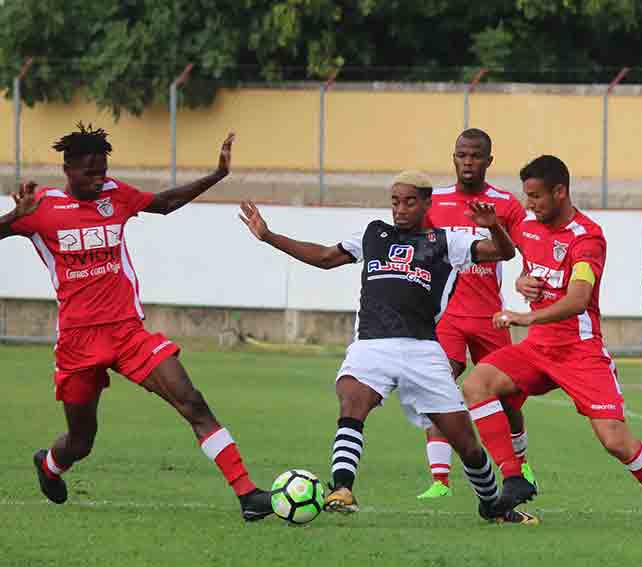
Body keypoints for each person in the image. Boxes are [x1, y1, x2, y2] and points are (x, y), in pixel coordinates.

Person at [0, 123, 273, 521]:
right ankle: (50, 465)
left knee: (192, 401)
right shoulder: (39, 208)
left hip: (128, 331)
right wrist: (12, 218)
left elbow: (163, 203)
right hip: (78, 341)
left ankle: (248, 494)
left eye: (103, 170)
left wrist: (216, 176)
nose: (99, 179)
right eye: (90, 172)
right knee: (81, 440)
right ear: (68, 169)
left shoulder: (115, 195)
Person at [238, 170, 537, 525]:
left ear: (428, 203)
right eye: (395, 201)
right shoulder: (372, 235)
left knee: (466, 444)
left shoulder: (447, 241)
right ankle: (342, 488)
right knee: (352, 399)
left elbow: (502, 253)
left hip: (422, 350)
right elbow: (322, 257)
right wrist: (268, 236)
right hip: (372, 345)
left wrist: (494, 226)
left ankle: (492, 505)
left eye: (410, 201)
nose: (400, 209)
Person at [463, 155, 642, 533]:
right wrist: (513, 264)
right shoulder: (530, 227)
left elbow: (577, 298)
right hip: (538, 349)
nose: (530, 204)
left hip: (580, 351)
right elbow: (521, 259)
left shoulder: (587, 237)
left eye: (536, 196)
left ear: (560, 191)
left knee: (615, 441)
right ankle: (515, 477)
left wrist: (526, 317)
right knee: (476, 384)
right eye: (527, 196)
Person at [417, 128, 535, 499]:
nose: (468, 162)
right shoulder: (433, 202)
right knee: (438, 385)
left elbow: (527, 250)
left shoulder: (507, 205)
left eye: (475, 156)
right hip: (448, 315)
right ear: (454, 158)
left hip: (490, 316)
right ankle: (440, 479)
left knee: (507, 397)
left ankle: (521, 462)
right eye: (461, 155)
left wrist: (527, 280)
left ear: (488, 161)